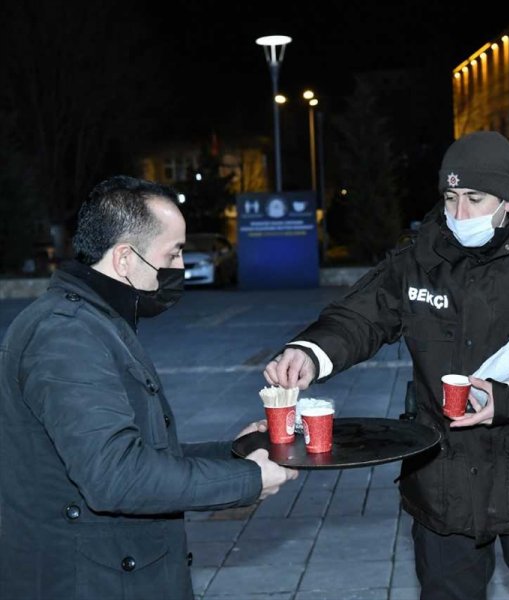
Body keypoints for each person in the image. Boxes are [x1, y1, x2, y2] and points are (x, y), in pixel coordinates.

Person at [265, 131, 509, 600]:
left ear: (507, 201)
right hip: (443, 483)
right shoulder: (418, 259)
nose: (459, 213)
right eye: (450, 197)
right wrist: (309, 351)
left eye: (475, 198)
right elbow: (358, 315)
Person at [0, 175, 298, 599]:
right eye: (173, 253)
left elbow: (133, 452)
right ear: (125, 258)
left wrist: (234, 452)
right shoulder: (66, 337)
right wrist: (247, 481)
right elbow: (116, 477)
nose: (180, 267)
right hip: (90, 582)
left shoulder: (94, 320)